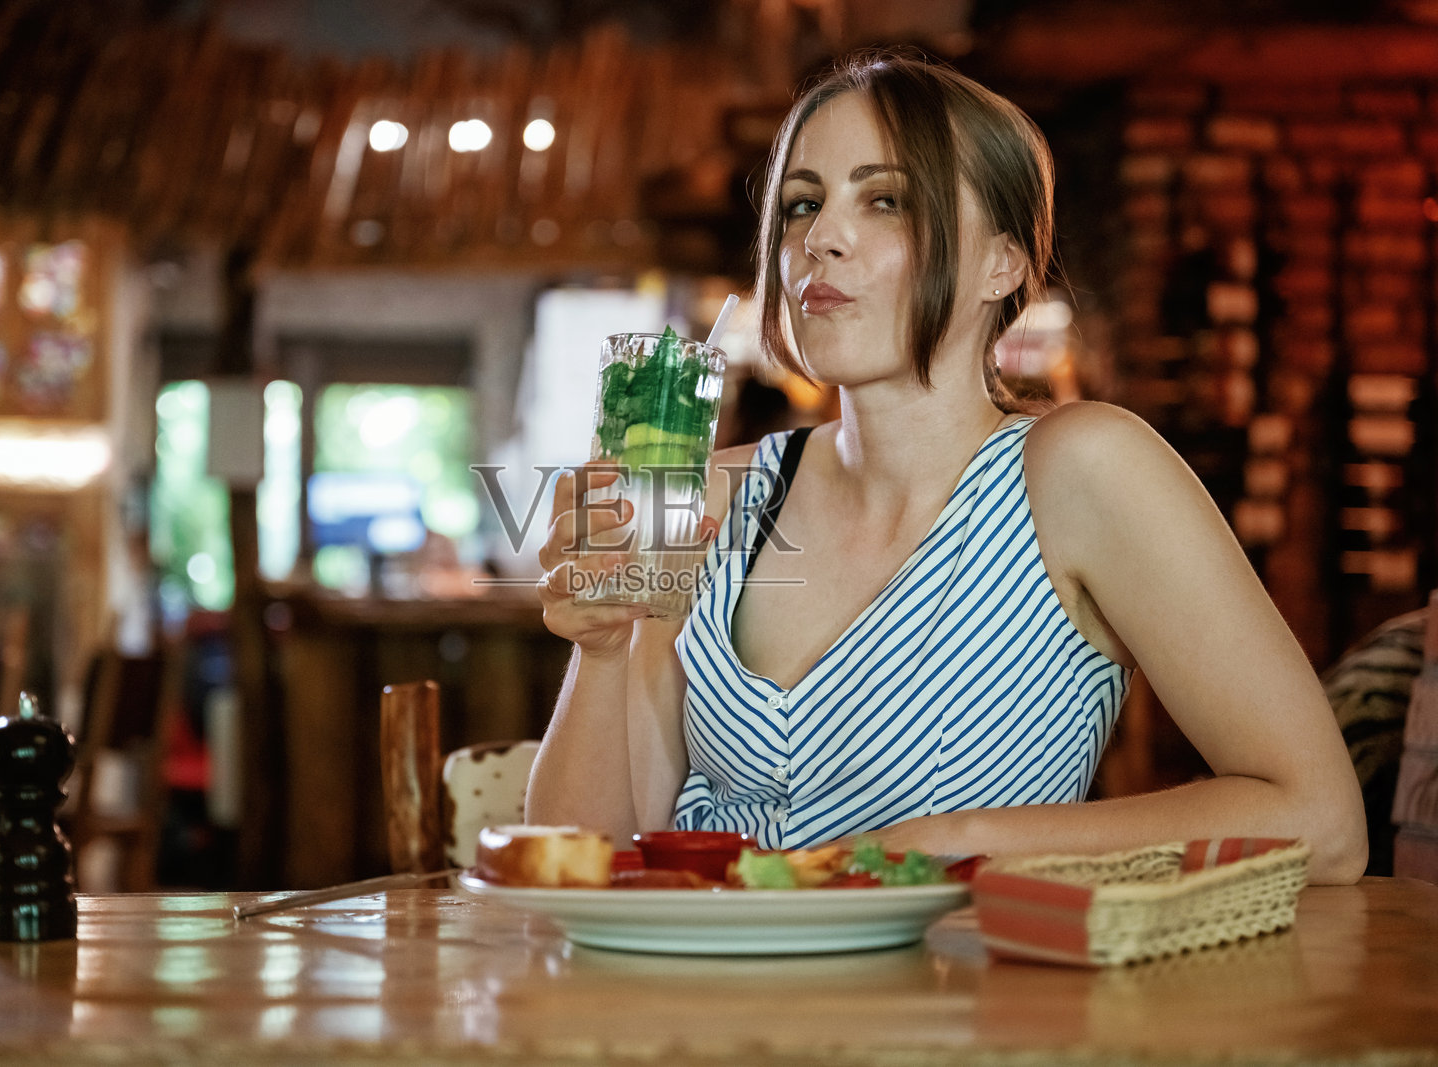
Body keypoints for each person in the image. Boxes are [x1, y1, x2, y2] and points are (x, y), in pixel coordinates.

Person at [525, 51, 1366, 885]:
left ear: (1003, 263)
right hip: (697, 1006)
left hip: (959, 1008)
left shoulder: (1082, 470)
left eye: (885, 200)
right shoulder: (708, 492)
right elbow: (579, 866)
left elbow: (1320, 821)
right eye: (802, 205)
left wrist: (959, 841)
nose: (818, 239)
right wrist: (601, 653)